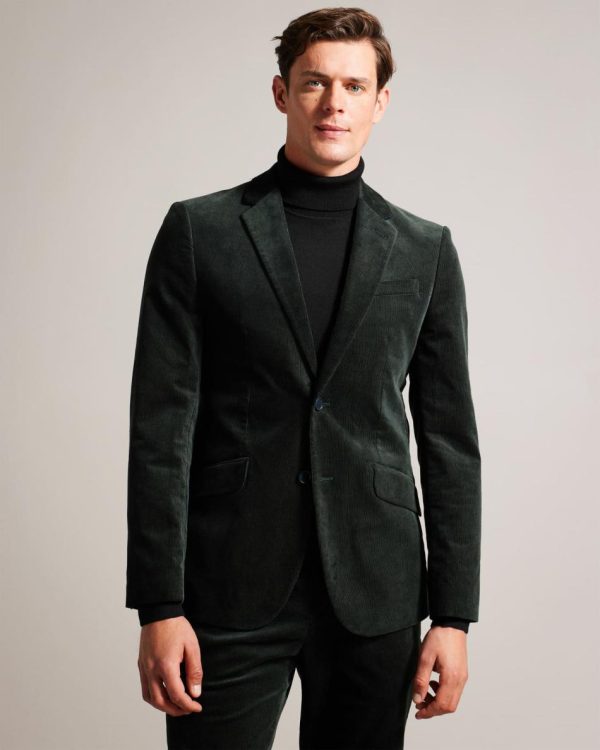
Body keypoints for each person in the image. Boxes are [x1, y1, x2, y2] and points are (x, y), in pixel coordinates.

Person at [126, 7, 481, 749]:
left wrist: (453, 617)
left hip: (377, 592)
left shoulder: (424, 250)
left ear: (381, 102)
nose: (334, 103)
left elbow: (450, 444)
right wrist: (159, 604)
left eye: (354, 86)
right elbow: (161, 430)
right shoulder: (200, 232)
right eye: (315, 82)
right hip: (227, 585)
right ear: (281, 92)